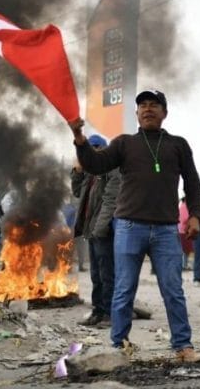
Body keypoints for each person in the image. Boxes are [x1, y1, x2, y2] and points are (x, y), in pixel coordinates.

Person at [68, 89, 200, 362]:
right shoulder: (124, 143)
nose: (148, 109)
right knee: (123, 289)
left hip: (166, 229)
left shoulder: (178, 144)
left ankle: (183, 346)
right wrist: (80, 139)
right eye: (143, 105)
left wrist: (195, 215)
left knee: (173, 290)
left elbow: (192, 182)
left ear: (164, 113)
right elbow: (95, 164)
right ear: (137, 113)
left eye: (154, 105)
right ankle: (119, 346)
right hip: (129, 226)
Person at [72, 134, 121, 327]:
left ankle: (109, 313)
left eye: (95, 148)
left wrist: (100, 229)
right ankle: (98, 311)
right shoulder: (91, 172)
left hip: (104, 231)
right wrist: (77, 172)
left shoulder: (112, 170)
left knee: (107, 273)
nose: (91, 152)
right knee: (96, 275)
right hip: (91, 230)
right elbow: (77, 193)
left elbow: (110, 201)